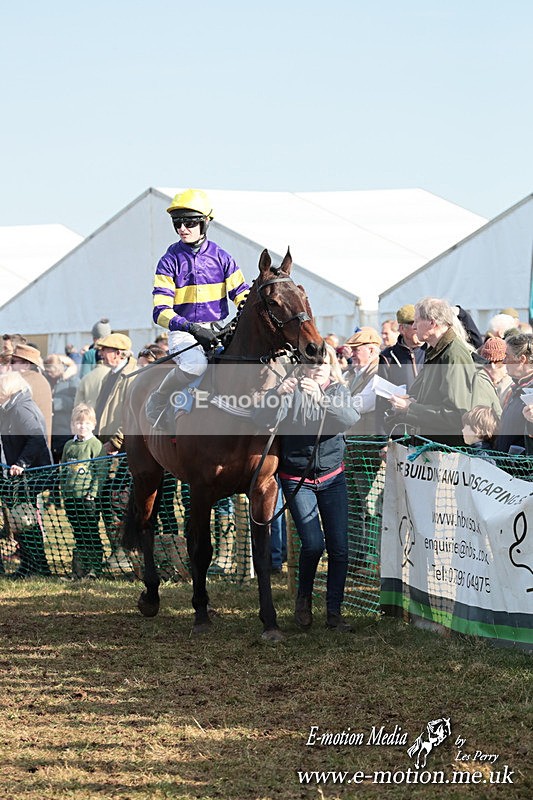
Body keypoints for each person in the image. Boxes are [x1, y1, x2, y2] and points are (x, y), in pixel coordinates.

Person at [253, 345, 360, 632]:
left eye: (322, 365)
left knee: (340, 549)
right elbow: (260, 419)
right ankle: (303, 598)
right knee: (313, 543)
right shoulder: (291, 390)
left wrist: (322, 399)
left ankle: (334, 613)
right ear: (302, 368)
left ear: (330, 366)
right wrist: (277, 395)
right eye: (311, 366)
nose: (317, 370)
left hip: (332, 477)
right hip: (297, 478)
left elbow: (349, 418)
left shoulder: (337, 391)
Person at [147, 188, 250, 428]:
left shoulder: (223, 257)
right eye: (177, 222)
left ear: (205, 223)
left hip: (217, 329)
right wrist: (191, 327)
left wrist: (245, 311)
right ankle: (159, 398)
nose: (182, 228)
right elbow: (160, 311)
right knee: (195, 366)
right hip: (183, 332)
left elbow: (241, 293)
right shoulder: (168, 260)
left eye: (190, 222)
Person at [388, 298, 500, 447]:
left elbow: (456, 414)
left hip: (448, 452)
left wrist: (410, 408)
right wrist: (414, 401)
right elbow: (438, 401)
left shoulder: (453, 354)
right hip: (436, 448)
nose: (414, 326)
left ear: (432, 323)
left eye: (417, 321)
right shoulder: (437, 351)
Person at [0, 371, 52, 578]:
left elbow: (36, 438)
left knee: (25, 520)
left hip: (29, 475)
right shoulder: (10, 408)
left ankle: (36, 566)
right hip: (18, 476)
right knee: (21, 520)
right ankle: (31, 565)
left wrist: (21, 463)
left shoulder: (21, 408)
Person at [93, 333, 137, 570]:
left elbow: (130, 415)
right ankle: (117, 551)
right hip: (105, 448)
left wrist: (116, 443)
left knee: (119, 501)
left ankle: (126, 553)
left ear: (119, 353)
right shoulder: (109, 376)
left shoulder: (131, 376)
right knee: (106, 501)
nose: (101, 354)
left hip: (123, 452)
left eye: (106, 350)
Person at [61, 404, 107, 577]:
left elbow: (100, 471)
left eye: (87, 424)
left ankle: (96, 567)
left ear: (93, 425)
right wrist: (63, 492)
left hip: (87, 499)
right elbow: (64, 469)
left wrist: (92, 494)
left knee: (91, 533)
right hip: (71, 497)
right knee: (79, 533)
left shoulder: (96, 445)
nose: (83, 427)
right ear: (73, 424)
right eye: (79, 423)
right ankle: (81, 569)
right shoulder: (69, 445)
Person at [376, 304, 425, 435]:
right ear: (402, 329)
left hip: (429, 428)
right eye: (413, 325)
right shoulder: (387, 357)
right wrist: (382, 440)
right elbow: (381, 402)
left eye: (419, 324)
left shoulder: (432, 351)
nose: (417, 328)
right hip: (400, 431)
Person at [495, 334, 533, 453]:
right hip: (507, 465)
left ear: (522, 359)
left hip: (522, 469)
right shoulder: (518, 387)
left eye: (507, 356)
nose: (504, 361)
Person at [10, 344, 53, 446]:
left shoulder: (21, 383)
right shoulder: (42, 380)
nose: (10, 365)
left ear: (26, 365)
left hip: (27, 447)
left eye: (13, 361)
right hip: (40, 445)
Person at [478, 337, 513, 405]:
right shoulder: (480, 382)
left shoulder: (511, 385)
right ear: (493, 365)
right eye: (504, 363)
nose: (507, 369)